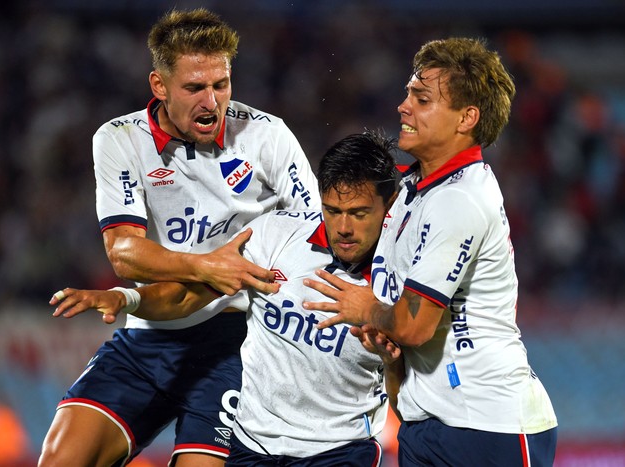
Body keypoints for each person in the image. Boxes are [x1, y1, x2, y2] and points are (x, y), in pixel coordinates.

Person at [38, 8, 320, 467]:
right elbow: (124, 253)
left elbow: (317, 236)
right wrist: (206, 266)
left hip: (238, 344)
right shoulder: (120, 139)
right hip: (152, 334)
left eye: (221, 85)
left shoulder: (266, 136)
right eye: (194, 88)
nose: (212, 101)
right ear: (160, 86)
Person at [50, 131, 402, 466]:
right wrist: (126, 298)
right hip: (253, 447)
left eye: (358, 214)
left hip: (338, 451)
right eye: (332, 211)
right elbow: (190, 294)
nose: (343, 227)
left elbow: (409, 396)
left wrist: (390, 357)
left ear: (388, 206)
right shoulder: (273, 235)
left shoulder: (402, 279)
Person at [302, 38, 559, 466]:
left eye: (421, 98)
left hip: (489, 427)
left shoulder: (458, 200)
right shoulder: (413, 189)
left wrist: (369, 308)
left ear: (466, 118)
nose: (403, 106)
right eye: (407, 94)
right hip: (428, 422)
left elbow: (416, 325)